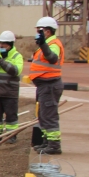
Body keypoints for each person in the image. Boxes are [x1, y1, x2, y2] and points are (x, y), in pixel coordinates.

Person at [30, 16, 65, 154]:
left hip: (50, 84)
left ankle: (54, 145)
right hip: (44, 85)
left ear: (48, 31)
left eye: (40, 30)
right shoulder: (47, 44)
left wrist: (43, 44)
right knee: (43, 115)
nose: (38, 33)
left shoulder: (53, 44)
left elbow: (52, 58)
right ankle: (46, 143)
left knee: (49, 116)